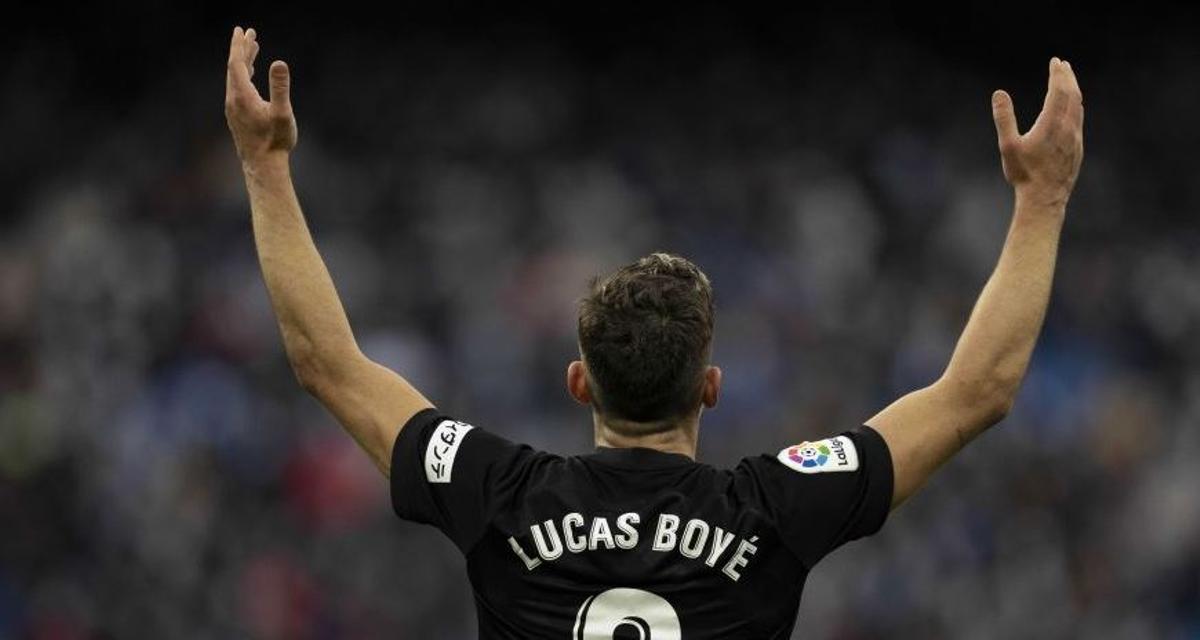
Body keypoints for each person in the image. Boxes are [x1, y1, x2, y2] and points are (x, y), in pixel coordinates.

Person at [223, 25, 1084, 639]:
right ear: (711, 386)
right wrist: (1041, 200)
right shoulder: (773, 511)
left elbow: (325, 363)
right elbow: (978, 392)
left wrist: (264, 168)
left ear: (579, 380)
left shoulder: (498, 494)